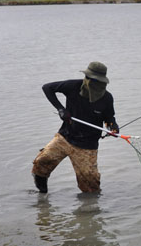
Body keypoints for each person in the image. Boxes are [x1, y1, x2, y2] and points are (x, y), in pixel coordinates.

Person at [31, 61, 119, 194]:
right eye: (87, 78)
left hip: (87, 145)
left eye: (94, 80)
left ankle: (90, 210)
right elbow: (47, 88)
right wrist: (61, 109)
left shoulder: (106, 98)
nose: (88, 81)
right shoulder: (73, 86)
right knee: (42, 162)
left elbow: (109, 118)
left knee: (90, 184)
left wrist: (113, 126)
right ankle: (42, 193)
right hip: (65, 137)